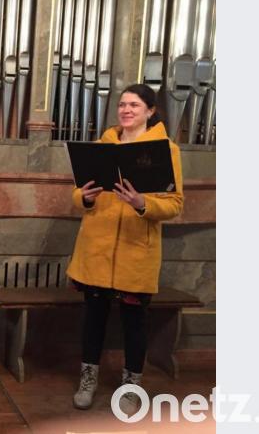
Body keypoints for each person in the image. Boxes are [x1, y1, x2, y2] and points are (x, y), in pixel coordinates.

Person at [66, 84, 183, 414]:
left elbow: (175, 204)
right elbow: (79, 193)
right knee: (93, 319)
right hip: (96, 249)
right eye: (122, 105)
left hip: (136, 251)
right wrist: (84, 197)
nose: (126, 110)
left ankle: (131, 387)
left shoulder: (166, 150)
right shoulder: (102, 145)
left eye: (134, 104)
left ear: (150, 111)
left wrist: (142, 202)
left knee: (134, 322)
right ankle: (87, 380)